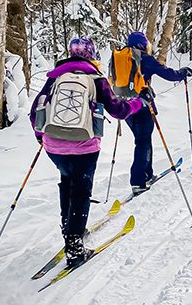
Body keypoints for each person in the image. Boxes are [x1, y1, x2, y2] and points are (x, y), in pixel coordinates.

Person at [30, 37, 145, 266]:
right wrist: (138, 103)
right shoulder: (96, 78)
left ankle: (69, 231)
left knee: (66, 182)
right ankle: (74, 246)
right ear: (92, 54)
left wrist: (42, 138)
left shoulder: (56, 77)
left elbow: (35, 111)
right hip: (84, 146)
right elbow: (118, 110)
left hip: (54, 145)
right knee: (81, 189)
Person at [109, 31, 191, 195]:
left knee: (142, 140)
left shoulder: (119, 58)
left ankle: (147, 174)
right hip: (143, 105)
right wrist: (182, 73)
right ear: (143, 44)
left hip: (125, 106)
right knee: (143, 142)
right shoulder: (145, 59)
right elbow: (167, 74)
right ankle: (138, 181)